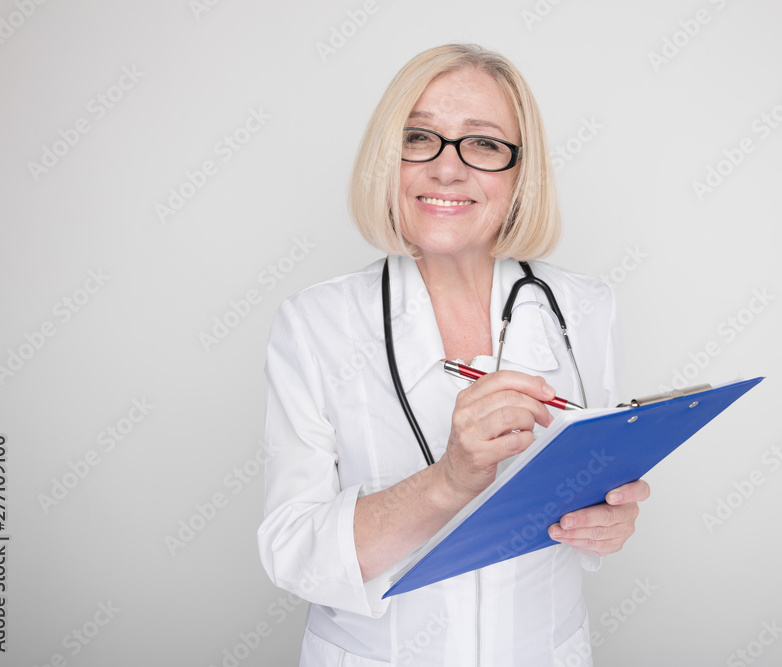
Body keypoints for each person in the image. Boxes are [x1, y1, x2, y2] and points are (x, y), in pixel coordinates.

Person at [258, 43, 650, 666]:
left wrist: (605, 521)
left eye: (484, 144)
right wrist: (447, 482)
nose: (446, 169)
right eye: (419, 137)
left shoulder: (586, 308)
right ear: (388, 158)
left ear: (521, 172)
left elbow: (590, 492)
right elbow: (294, 552)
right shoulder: (316, 323)